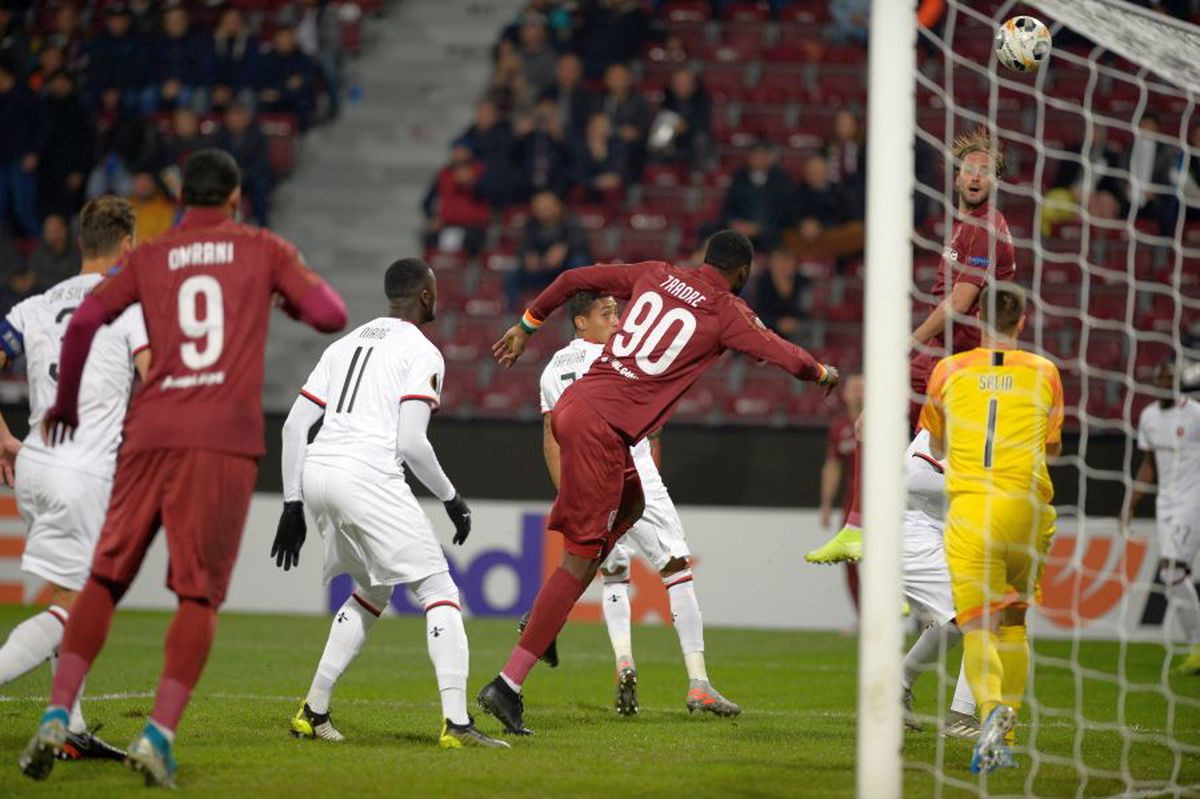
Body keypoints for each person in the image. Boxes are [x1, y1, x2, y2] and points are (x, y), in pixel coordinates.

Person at [19, 149, 347, 788]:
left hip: (148, 434)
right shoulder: (261, 247)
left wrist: (60, 404)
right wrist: (284, 298)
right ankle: (158, 736)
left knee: (105, 580)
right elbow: (331, 314)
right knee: (197, 594)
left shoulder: (150, 254)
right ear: (234, 197)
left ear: (178, 199)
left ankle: (58, 711)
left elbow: (86, 318)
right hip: (218, 441)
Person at [476, 229, 838, 734]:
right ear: (743, 274)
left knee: (631, 505)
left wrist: (526, 325)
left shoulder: (656, 273)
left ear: (702, 256)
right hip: (605, 429)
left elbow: (571, 278)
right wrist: (821, 372)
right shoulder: (725, 310)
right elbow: (782, 353)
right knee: (579, 563)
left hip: (582, 412)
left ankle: (547, 615)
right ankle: (508, 683)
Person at [273, 257, 507, 749]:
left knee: (372, 590)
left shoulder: (345, 343)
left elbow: (295, 425)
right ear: (425, 294)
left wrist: (292, 503)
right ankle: (457, 723)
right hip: (367, 475)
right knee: (439, 588)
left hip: (317, 472)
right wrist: (451, 496)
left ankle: (313, 711)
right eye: (436, 290)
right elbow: (410, 444)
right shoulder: (422, 351)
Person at [806, 128, 1016, 564]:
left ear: (995, 182)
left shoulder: (987, 227)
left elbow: (960, 303)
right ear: (956, 177)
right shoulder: (961, 226)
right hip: (939, 356)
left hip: (968, 362)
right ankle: (858, 531)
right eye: (969, 169)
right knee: (871, 425)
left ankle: (926, 567)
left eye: (985, 171)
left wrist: (909, 341)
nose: (976, 177)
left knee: (935, 472)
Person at [537, 292, 740, 718]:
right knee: (676, 570)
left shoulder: (553, 369)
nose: (617, 320)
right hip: (634, 475)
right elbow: (653, 424)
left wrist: (568, 494)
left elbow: (552, 441)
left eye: (617, 311)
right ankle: (698, 682)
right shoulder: (625, 357)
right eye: (606, 313)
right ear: (580, 322)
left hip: (586, 483)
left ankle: (623, 659)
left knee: (613, 575)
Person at [0, 197, 150, 764]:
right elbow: (153, 378)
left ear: (82, 242)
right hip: (83, 469)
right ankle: (58, 719)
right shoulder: (128, 305)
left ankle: (72, 725)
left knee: (70, 595)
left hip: (36, 461)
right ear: (127, 244)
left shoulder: (33, 306)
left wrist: (2, 434)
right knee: (79, 606)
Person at [919, 282, 1062, 774]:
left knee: (979, 625)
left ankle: (988, 713)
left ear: (976, 319)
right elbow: (1055, 446)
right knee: (1016, 622)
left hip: (974, 511)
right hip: (1027, 509)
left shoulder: (948, 370)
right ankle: (1012, 727)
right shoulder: (1046, 373)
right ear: (1022, 321)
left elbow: (935, 444)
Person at [898, 428, 980, 741]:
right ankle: (961, 717)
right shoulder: (949, 422)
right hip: (912, 537)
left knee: (960, 622)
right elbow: (911, 479)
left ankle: (897, 686)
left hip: (936, 538)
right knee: (981, 614)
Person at [1121, 359, 1200, 676]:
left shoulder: (1195, 413)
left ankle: (1198, 646)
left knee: (1172, 569)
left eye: (1170, 378)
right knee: (1170, 579)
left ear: (1178, 381)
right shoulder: (1149, 417)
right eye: (1160, 379)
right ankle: (1196, 645)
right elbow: (1149, 465)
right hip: (1165, 503)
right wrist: (1131, 502)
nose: (1164, 383)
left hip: (1192, 500)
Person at [817, 374, 862, 614]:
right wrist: (826, 504)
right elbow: (833, 465)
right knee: (849, 558)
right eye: (853, 387)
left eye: (862, 387)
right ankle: (863, 617)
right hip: (852, 504)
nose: (857, 392)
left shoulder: (886, 422)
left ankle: (906, 616)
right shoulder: (840, 427)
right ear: (844, 394)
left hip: (885, 503)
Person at [509, 190, 590, 308]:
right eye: (539, 206)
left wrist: (565, 249)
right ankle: (514, 312)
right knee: (512, 275)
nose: (543, 210)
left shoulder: (571, 221)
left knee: (579, 262)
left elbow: (581, 245)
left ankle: (576, 308)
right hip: (541, 269)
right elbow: (523, 248)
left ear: (558, 205)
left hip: (564, 269)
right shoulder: (531, 225)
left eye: (547, 206)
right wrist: (528, 257)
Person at [0, 57, 46, 238]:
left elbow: (44, 123)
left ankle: (45, 248)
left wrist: (35, 152)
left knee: (24, 209)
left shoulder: (23, 92)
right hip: (2, 159)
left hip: (21, 158)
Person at [421, 144, 492, 256]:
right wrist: (432, 216)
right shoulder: (444, 174)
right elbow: (427, 201)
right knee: (429, 238)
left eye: (462, 151)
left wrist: (472, 183)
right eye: (456, 151)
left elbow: (491, 196)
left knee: (473, 241)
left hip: (473, 227)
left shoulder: (482, 172)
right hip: (447, 224)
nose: (458, 155)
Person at [753, 247, 808, 340]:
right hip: (767, 334)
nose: (783, 266)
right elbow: (754, 315)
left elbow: (810, 312)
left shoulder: (803, 283)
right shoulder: (762, 283)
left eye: (787, 261)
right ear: (771, 264)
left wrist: (797, 323)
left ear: (795, 264)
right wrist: (777, 323)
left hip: (799, 334)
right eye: (778, 262)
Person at [29, 213, 79, 291]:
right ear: (45, 234)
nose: (55, 236)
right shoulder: (37, 257)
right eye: (51, 232)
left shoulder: (78, 253)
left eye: (58, 230)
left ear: (66, 230)